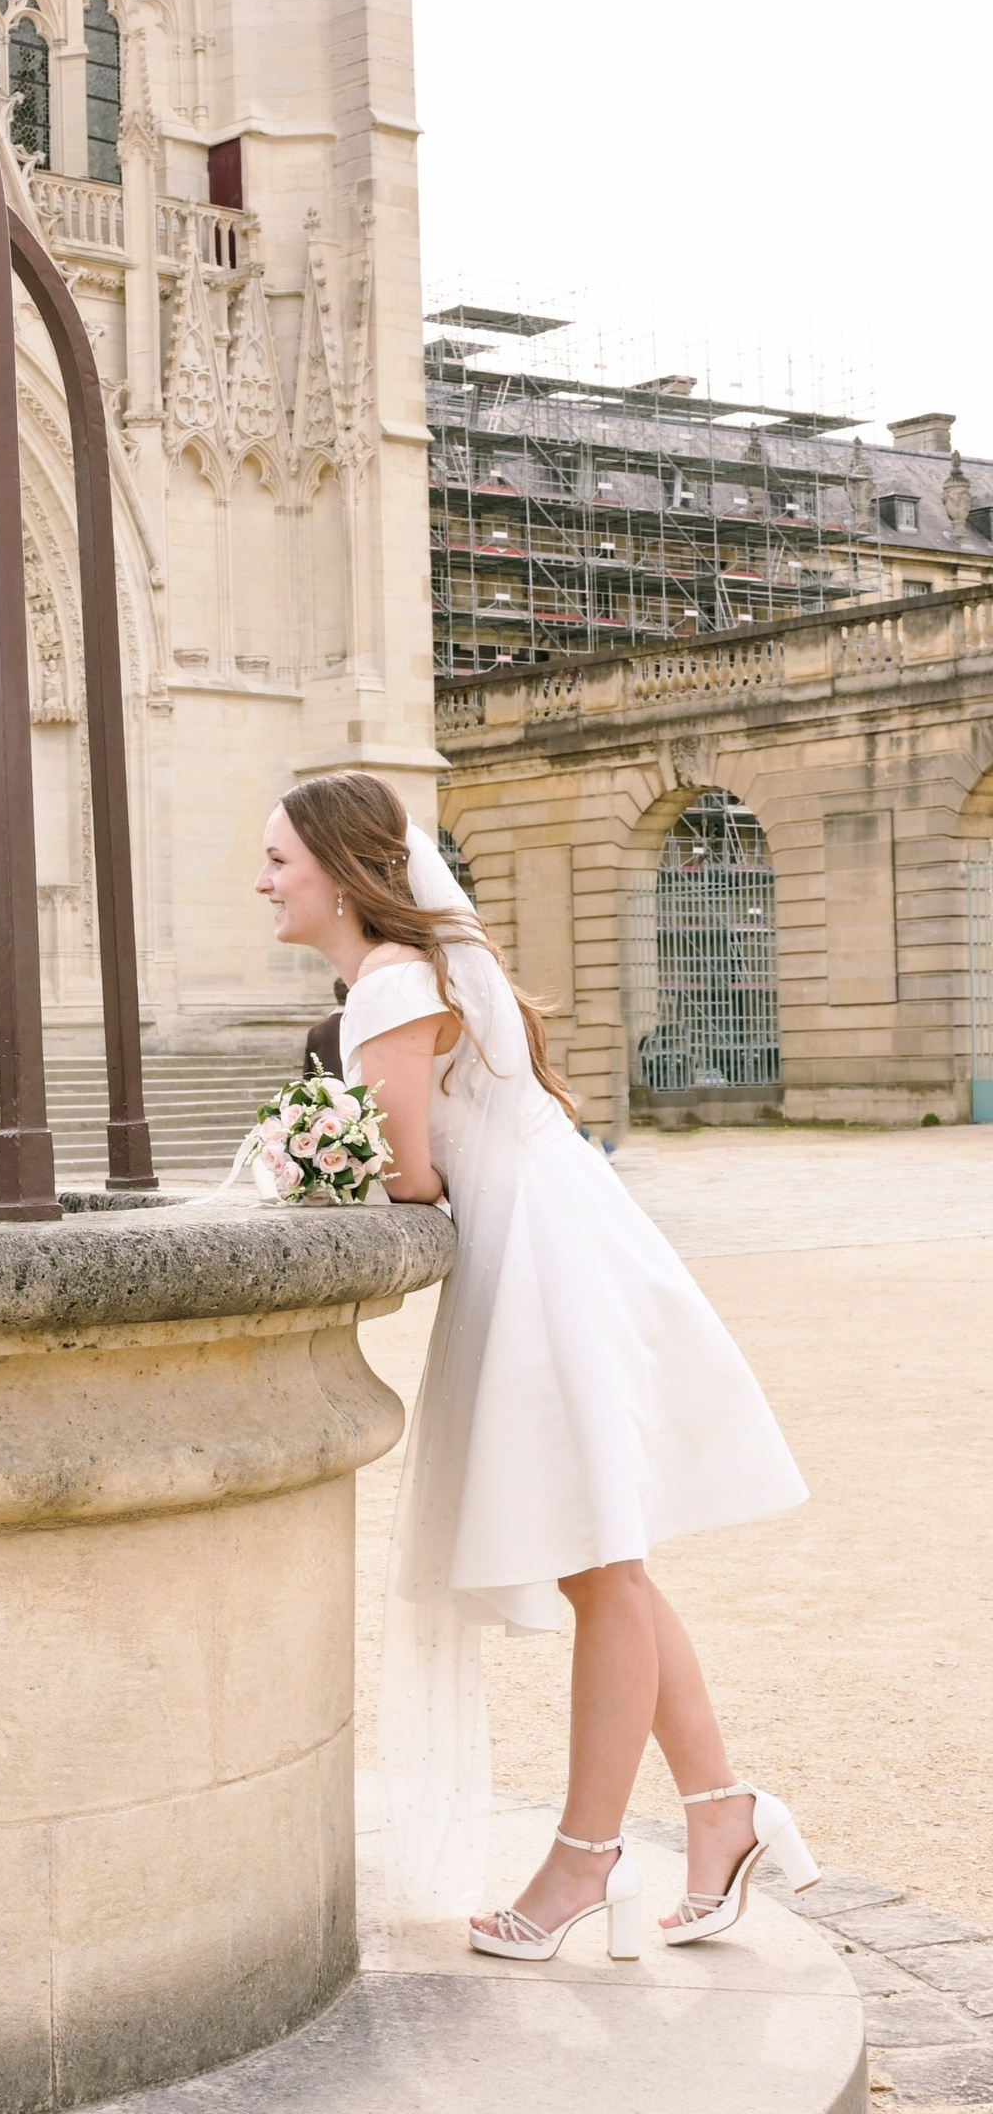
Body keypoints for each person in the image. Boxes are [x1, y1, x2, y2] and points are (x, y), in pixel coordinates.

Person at [255, 770, 813, 1961]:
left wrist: (301, 1164)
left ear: (340, 875)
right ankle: (720, 1813)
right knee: (602, 1559)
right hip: (559, 1235)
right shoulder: (410, 976)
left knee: (598, 1563)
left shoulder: (393, 984)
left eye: (277, 861)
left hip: (546, 1263)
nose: (262, 882)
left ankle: (584, 1859)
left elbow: (408, 1175)